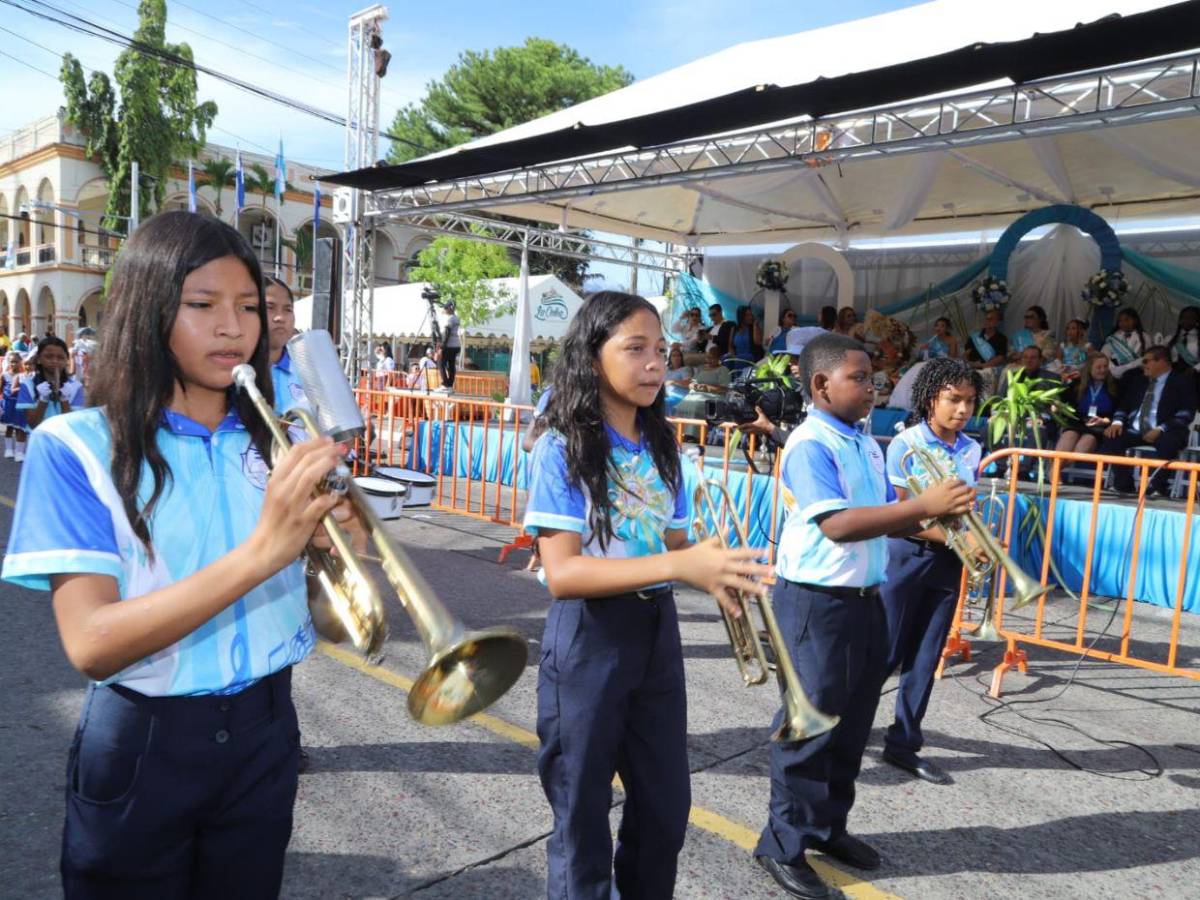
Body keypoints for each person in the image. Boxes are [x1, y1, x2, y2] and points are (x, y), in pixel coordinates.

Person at [1, 211, 365, 897]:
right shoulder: (74, 445)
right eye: (203, 306)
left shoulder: (280, 432)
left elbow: (338, 606)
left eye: (250, 307)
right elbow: (92, 643)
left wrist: (333, 547)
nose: (235, 327)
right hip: (145, 742)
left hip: (267, 728)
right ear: (147, 311)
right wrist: (264, 552)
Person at [524, 290, 770, 898]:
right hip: (588, 638)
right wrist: (681, 563)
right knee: (582, 820)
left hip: (657, 635)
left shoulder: (665, 448)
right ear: (591, 355)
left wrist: (719, 572)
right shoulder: (563, 447)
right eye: (635, 349)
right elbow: (563, 573)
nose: (655, 363)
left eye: (661, 350)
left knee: (664, 811)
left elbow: (676, 542)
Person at [754, 334, 974, 900]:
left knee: (851, 727)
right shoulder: (809, 444)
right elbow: (839, 524)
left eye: (874, 378)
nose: (872, 387)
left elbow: (884, 518)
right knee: (809, 727)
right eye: (861, 378)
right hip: (815, 603)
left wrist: (941, 522)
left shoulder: (866, 441)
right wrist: (924, 506)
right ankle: (782, 843)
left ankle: (827, 827)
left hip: (864, 599)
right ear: (821, 384)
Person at [880, 358, 984, 787]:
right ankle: (845, 734)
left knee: (925, 657)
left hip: (946, 562)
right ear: (929, 399)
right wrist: (964, 541)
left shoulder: (972, 449)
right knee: (883, 653)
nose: (962, 409)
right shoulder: (905, 445)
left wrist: (979, 539)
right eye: (953, 399)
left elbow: (963, 509)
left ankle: (904, 743)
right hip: (906, 553)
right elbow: (903, 513)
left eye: (970, 401)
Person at [1098, 345, 1198, 497]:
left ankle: (1157, 487)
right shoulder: (1139, 381)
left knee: (1169, 442)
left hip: (1166, 430)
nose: (1142, 365)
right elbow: (1124, 405)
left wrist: (1161, 429)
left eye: (1146, 361)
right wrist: (1117, 422)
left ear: (1162, 362)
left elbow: (1186, 413)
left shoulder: (1182, 382)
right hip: (1136, 429)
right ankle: (1124, 484)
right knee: (1111, 437)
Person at [1054, 352, 1119, 458]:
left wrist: (1104, 421)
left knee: (1086, 441)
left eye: (1105, 367)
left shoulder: (1116, 386)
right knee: (1068, 437)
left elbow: (1119, 412)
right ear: (1089, 368)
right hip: (1076, 423)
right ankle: (1054, 472)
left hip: (1098, 427)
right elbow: (1060, 399)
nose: (1103, 370)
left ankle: (1053, 473)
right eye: (1098, 367)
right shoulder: (1076, 383)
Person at [263, 275, 309, 414]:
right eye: (269, 307)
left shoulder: (309, 372)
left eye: (288, 309)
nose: (280, 318)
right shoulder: (233, 373)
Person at [18, 336, 84, 430]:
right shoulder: (28, 385)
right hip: (38, 441)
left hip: (64, 441)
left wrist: (64, 399)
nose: (55, 361)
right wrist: (43, 399)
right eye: (49, 356)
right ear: (39, 359)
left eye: (61, 357)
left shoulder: (76, 387)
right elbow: (33, 424)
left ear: (67, 360)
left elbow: (72, 426)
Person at [965, 308, 1008, 396]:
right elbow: (966, 353)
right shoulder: (975, 336)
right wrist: (970, 363)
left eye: (991, 319)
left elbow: (1000, 357)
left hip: (989, 369)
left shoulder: (1001, 338)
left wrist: (982, 365)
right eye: (987, 318)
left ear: (997, 322)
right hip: (972, 367)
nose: (988, 321)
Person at [1102, 307, 1150, 382]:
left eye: (1127, 320)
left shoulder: (1144, 337)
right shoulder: (1114, 336)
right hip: (1112, 372)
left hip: (1134, 374)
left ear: (1135, 320)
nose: (1123, 323)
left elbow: (1146, 358)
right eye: (1120, 321)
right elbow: (1104, 354)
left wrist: (1125, 368)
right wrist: (1113, 369)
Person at [1163, 306, 1200, 390]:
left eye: (1190, 318)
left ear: (1197, 321)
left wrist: (1195, 369)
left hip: (1193, 380)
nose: (1186, 320)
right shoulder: (1171, 338)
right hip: (1170, 376)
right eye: (1183, 317)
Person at [2, 350, 29, 460]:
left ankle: (20, 452)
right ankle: (9, 450)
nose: (13, 364)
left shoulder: (24, 375)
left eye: (16, 361)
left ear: (20, 362)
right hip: (8, 404)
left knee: (21, 428)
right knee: (9, 427)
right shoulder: (4, 375)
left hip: (21, 404)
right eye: (11, 361)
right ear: (8, 362)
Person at [727, 304, 764, 369]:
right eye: (747, 315)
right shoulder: (734, 329)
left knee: (740, 359)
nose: (750, 317)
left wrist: (755, 326)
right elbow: (730, 346)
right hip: (737, 356)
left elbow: (758, 342)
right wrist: (732, 355)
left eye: (751, 315)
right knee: (725, 358)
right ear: (741, 316)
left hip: (751, 356)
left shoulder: (754, 327)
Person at [438, 300, 461, 390]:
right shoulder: (457, 318)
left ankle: (445, 384)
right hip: (456, 345)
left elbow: (446, 333)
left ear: (450, 308)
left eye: (446, 308)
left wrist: (441, 347)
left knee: (440, 363)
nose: (445, 310)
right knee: (451, 365)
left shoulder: (450, 319)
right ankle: (450, 384)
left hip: (449, 345)